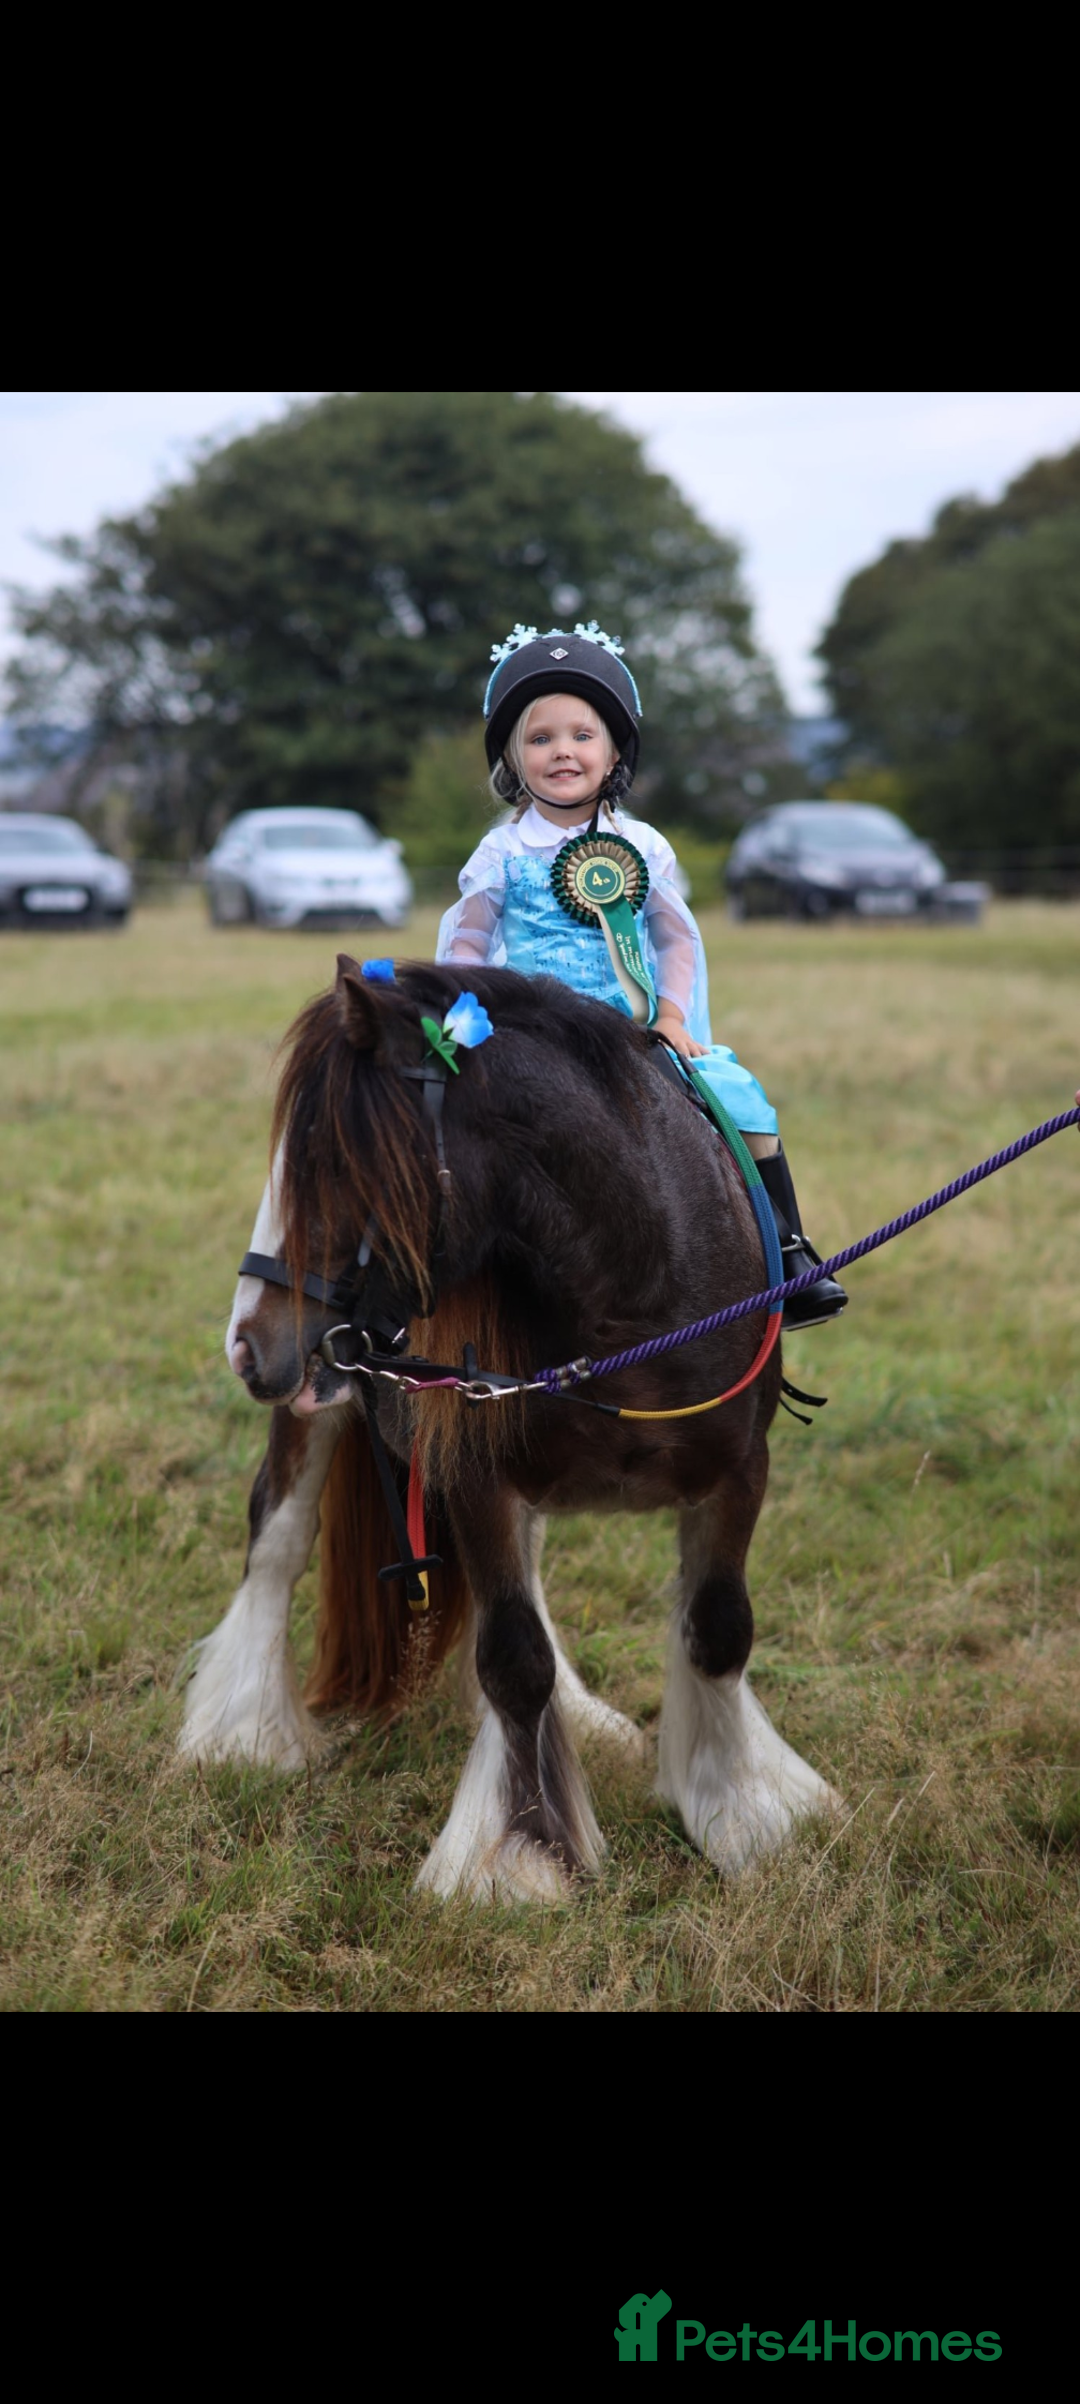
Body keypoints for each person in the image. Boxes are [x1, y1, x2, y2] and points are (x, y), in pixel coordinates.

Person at [437, 623, 845, 1329]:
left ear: (614, 750)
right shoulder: (500, 853)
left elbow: (674, 937)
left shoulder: (640, 847)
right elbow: (468, 941)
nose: (562, 751)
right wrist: (463, 1017)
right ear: (513, 757)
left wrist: (674, 1016)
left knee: (739, 1098)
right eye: (540, 739)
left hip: (629, 1033)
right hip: (528, 1034)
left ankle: (786, 1252)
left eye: (581, 735)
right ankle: (441, 1277)